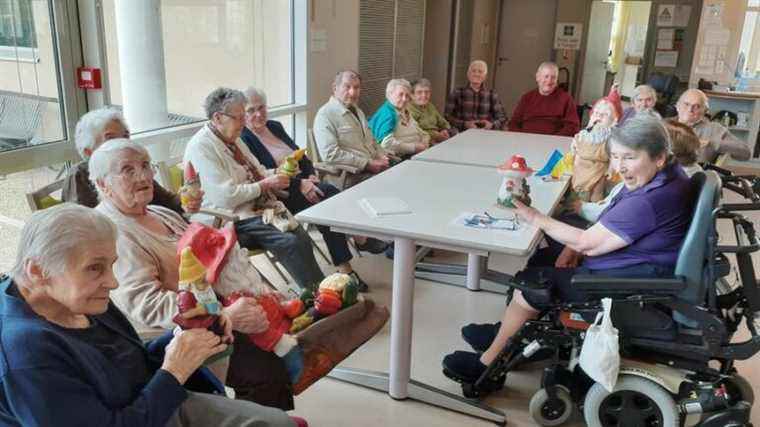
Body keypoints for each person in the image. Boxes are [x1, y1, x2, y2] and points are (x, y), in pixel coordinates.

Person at [443, 116, 693, 388]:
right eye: (617, 157)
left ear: (658, 157)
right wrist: (573, 248)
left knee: (528, 288)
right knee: (543, 258)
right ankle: (505, 336)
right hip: (634, 265)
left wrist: (535, 217)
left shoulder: (649, 200)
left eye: (630, 158)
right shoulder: (667, 177)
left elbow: (588, 241)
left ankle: (487, 368)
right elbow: (604, 228)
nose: (620, 167)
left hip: (626, 283)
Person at [0, 203, 299, 427]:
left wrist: (188, 334)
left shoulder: (76, 298)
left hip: (147, 403)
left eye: (111, 265)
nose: (113, 282)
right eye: (95, 268)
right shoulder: (26, 352)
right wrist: (174, 372)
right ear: (37, 271)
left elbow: (129, 358)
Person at [91, 139, 296, 409]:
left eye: (144, 166)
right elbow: (149, 307)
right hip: (170, 338)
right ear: (103, 185)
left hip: (213, 312)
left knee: (289, 326)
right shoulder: (112, 233)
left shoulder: (159, 212)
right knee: (264, 366)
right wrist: (224, 316)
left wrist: (253, 291)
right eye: (127, 170)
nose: (143, 176)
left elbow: (207, 264)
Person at [239, 87, 386, 290]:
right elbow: (264, 173)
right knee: (328, 199)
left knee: (326, 200)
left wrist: (310, 174)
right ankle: (355, 247)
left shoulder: (274, 126)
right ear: (242, 113)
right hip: (279, 192)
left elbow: (300, 155)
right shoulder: (244, 139)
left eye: (262, 107)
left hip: (303, 182)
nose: (258, 114)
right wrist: (301, 184)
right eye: (251, 110)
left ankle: (348, 268)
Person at [184, 87, 325, 292]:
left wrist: (278, 174)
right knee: (289, 242)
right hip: (227, 219)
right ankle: (316, 296)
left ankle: (323, 291)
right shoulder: (201, 147)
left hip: (254, 209)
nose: (244, 123)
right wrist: (266, 185)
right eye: (239, 117)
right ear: (217, 118)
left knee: (299, 234)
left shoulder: (234, 138)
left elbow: (258, 171)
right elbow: (226, 197)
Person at [62, 108, 200, 215]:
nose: (123, 143)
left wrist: (186, 200)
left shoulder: (137, 170)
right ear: (89, 152)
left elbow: (169, 202)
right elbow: (83, 228)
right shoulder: (79, 176)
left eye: (125, 136)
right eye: (110, 138)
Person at [313, 70, 391, 189]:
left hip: (373, 167)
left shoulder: (357, 110)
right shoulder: (325, 115)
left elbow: (372, 141)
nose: (353, 92)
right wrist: (366, 164)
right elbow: (329, 154)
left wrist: (382, 155)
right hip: (351, 175)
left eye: (356, 87)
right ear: (335, 88)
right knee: (393, 185)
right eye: (347, 87)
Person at [675, 88, 751, 163]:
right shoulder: (665, 125)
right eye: (686, 104)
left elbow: (746, 153)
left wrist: (713, 143)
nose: (690, 109)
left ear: (705, 111)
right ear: (677, 106)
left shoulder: (714, 129)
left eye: (697, 106)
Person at [508, 62, 580, 136]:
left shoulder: (566, 99)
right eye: (546, 76)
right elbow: (514, 122)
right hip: (526, 139)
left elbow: (573, 126)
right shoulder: (527, 97)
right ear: (537, 77)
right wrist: (520, 137)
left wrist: (555, 139)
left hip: (553, 142)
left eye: (553, 77)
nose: (549, 81)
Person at [368, 78, 431, 157]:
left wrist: (424, 142)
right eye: (400, 95)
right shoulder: (388, 114)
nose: (404, 99)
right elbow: (387, 144)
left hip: (417, 153)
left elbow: (422, 133)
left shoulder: (404, 111)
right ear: (389, 94)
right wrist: (414, 147)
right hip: (399, 158)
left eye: (407, 95)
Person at [444, 60, 507, 132]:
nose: (476, 74)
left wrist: (491, 124)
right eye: (473, 71)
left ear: (485, 77)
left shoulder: (492, 94)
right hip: (462, 133)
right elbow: (447, 117)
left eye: (480, 72)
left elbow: (502, 118)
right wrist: (465, 124)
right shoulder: (457, 92)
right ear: (468, 74)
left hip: (485, 134)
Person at [408, 78, 457, 143]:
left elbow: (442, 122)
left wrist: (445, 130)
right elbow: (415, 132)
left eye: (427, 92)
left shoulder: (430, 106)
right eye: (419, 92)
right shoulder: (408, 109)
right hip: (423, 141)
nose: (424, 95)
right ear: (412, 95)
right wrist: (436, 135)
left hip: (439, 137)